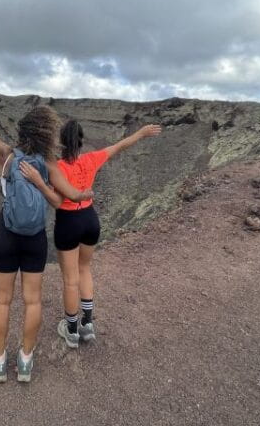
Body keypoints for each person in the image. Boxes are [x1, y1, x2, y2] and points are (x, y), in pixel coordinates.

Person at [0, 70, 93, 383]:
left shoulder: (7, 156)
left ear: (23, 132)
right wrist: (72, 191)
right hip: (34, 239)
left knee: (2, 300)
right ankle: (25, 361)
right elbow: (64, 199)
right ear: (46, 134)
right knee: (32, 301)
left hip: (6, 235)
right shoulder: (49, 164)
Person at [29, 119, 162, 348]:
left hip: (68, 222)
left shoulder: (56, 168)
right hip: (90, 219)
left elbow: (56, 198)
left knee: (70, 279)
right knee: (85, 269)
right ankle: (87, 323)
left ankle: (72, 331)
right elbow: (119, 146)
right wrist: (141, 133)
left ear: (61, 142)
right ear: (81, 141)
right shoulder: (91, 159)